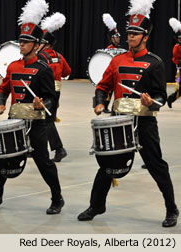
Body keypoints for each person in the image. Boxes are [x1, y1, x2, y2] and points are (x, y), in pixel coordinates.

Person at [77, 0, 179, 227]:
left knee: (156, 166)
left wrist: (151, 102)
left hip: (144, 123)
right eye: (129, 33)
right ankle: (96, 205)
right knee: (107, 165)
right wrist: (100, 103)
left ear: (145, 37)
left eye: (135, 34)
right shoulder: (117, 60)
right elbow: (102, 86)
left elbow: (161, 97)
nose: (130, 37)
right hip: (118, 121)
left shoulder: (155, 63)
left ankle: (171, 209)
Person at [0, 0, 64, 214]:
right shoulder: (14, 66)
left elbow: (51, 98)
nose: (22, 44)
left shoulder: (44, 69)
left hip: (36, 123)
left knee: (44, 163)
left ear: (36, 45)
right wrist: (0, 103)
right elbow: (3, 88)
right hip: (14, 119)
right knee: (2, 158)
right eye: (21, 40)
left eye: (27, 41)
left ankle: (57, 198)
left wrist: (41, 103)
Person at [38, 12, 70, 162]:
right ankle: (35, 147)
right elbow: (67, 72)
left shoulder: (41, 57)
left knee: (46, 121)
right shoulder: (59, 55)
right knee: (43, 119)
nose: (38, 45)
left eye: (40, 43)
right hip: (57, 91)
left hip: (45, 91)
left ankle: (59, 148)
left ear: (47, 44)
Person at [101, 13, 121, 113]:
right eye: (116, 37)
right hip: (110, 73)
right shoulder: (110, 49)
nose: (118, 38)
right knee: (108, 92)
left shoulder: (118, 49)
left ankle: (108, 107)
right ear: (112, 38)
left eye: (118, 37)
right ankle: (104, 106)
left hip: (116, 73)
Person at [167, 18, 181, 108]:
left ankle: (171, 98)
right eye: (179, 38)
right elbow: (175, 59)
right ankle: (171, 98)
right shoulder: (177, 47)